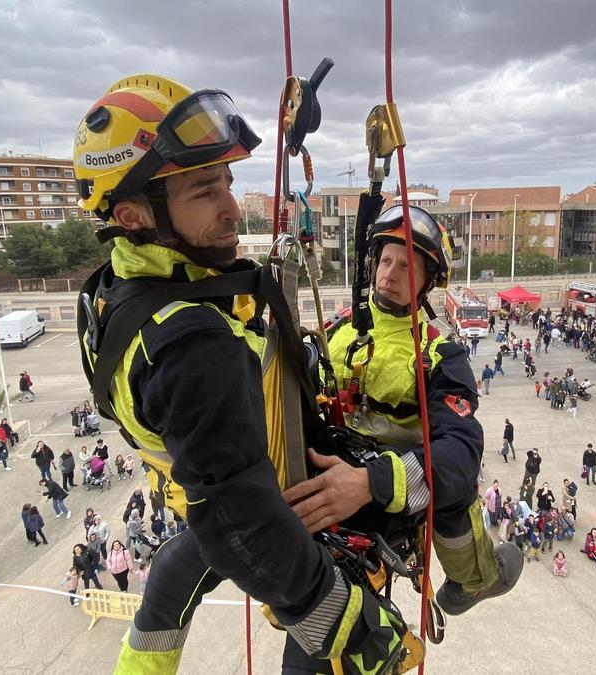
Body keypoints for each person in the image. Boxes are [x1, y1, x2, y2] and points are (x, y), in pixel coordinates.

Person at [75, 76, 437, 673]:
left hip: (235, 481)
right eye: (202, 191)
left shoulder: (117, 290)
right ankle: (470, 571)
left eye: (227, 181)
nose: (230, 207)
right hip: (288, 506)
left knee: (171, 577)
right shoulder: (191, 344)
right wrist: (342, 618)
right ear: (134, 213)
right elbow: (240, 519)